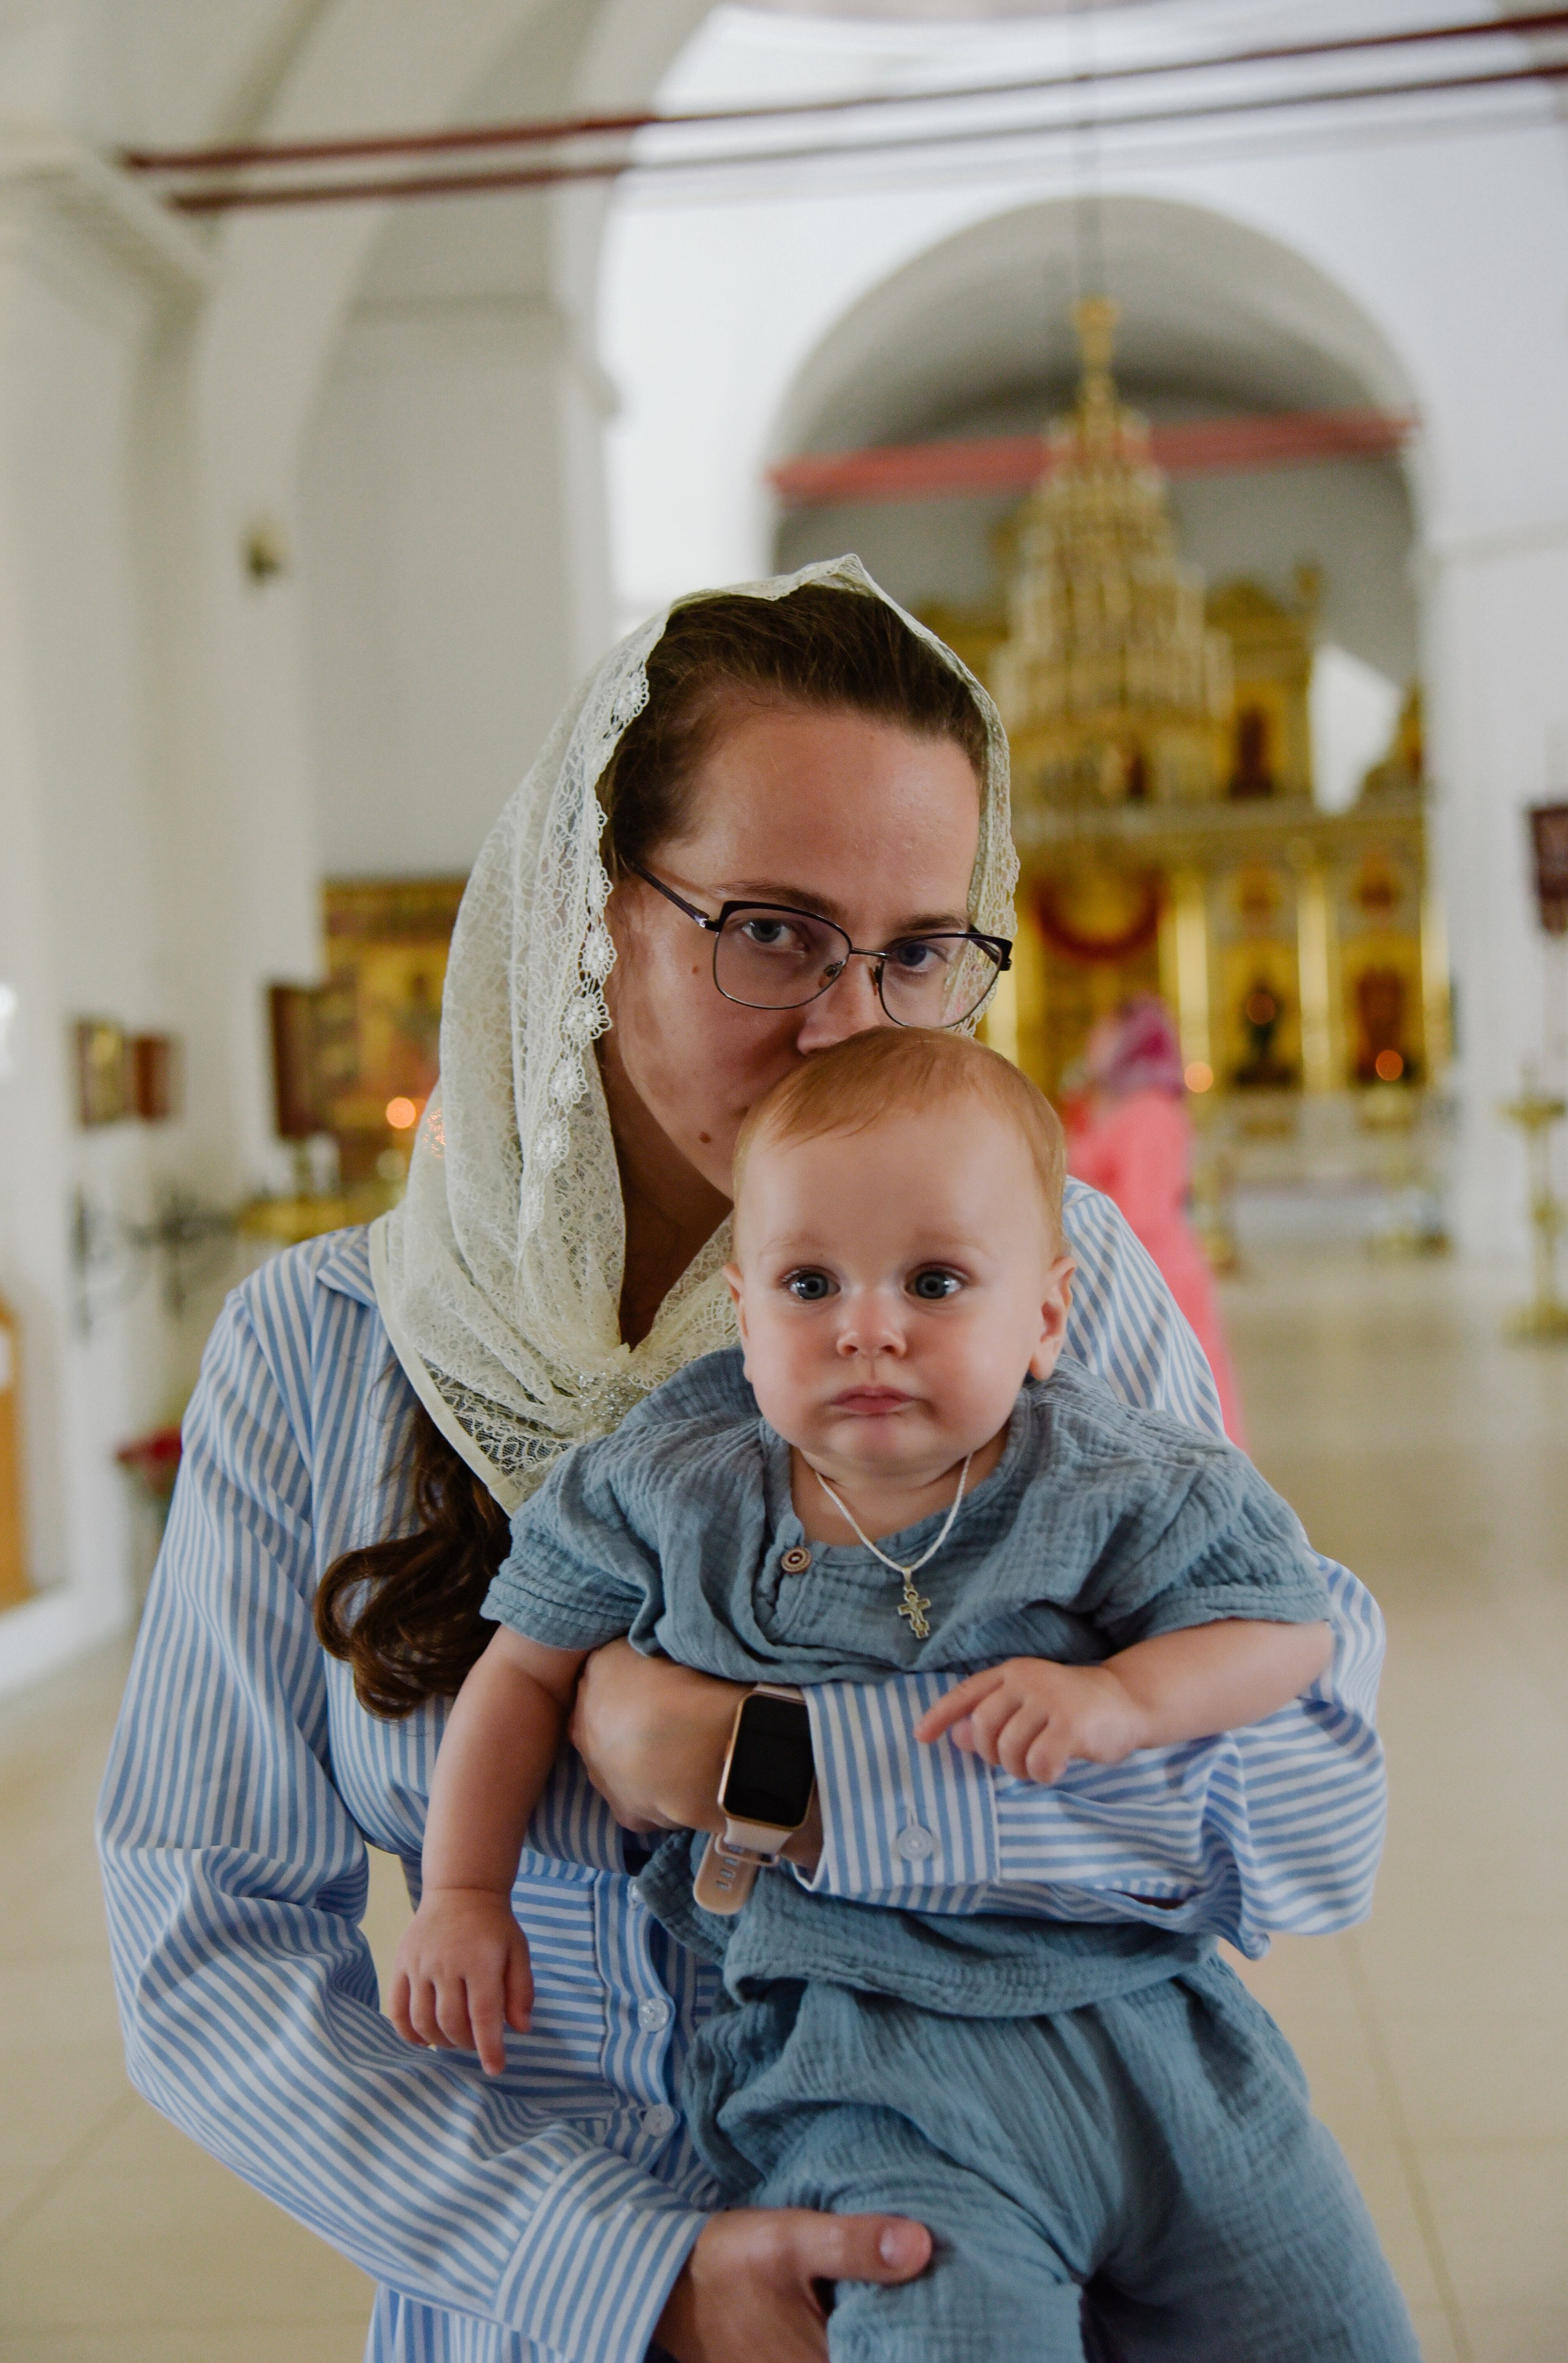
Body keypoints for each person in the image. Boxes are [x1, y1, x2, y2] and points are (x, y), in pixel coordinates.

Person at [98, 563, 1390, 2363]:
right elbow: (205, 1943)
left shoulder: (1033, 1295)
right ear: (593, 912)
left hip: (997, 2259)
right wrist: (632, 2271)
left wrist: (765, 1761)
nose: (852, 1023)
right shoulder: (324, 1349)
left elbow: (1304, 1821)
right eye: (771, 929)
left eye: (922, 948)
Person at [389, 1027, 1414, 2360]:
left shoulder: (1116, 1475)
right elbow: (520, 1668)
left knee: (1321, 2318)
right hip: (863, 2060)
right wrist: (461, 1893)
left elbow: (1280, 1632)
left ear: (1044, 1315)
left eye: (934, 1281)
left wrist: (1124, 1702)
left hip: (1151, 2029)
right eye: (808, 1282)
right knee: (945, 2328)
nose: (866, 1325)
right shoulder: (674, 1481)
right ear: (744, 1313)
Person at [1066, 995, 1245, 1443]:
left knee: (1172, 1398)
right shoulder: (1109, 1105)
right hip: (1121, 1263)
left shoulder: (1150, 1110)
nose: (1092, 1041)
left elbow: (1142, 1209)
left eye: (1104, 1032)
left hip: (1153, 1269)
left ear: (1131, 1041)